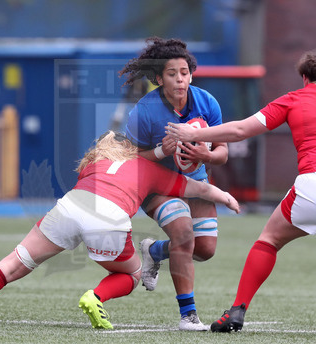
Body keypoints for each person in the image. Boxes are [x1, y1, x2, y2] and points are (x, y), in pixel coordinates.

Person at [166, 49, 316, 336]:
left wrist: (192, 134)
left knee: (269, 241)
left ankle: (237, 311)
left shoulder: (294, 99)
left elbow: (239, 131)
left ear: (305, 77)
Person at [0, 131, 240, 328]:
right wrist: (225, 196)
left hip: (70, 205)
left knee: (10, 265)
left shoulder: (93, 165)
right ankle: (95, 296)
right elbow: (199, 190)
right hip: (109, 216)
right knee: (131, 275)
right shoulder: (147, 168)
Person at [119, 37, 229, 330]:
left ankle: (154, 251)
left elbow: (223, 152)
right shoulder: (144, 110)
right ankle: (188, 316)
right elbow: (127, 158)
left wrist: (208, 153)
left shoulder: (207, 103)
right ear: (159, 78)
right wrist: (160, 151)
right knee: (183, 233)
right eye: (172, 73)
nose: (180, 79)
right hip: (156, 187)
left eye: (184, 72)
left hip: (197, 182)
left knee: (205, 249)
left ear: (191, 74)